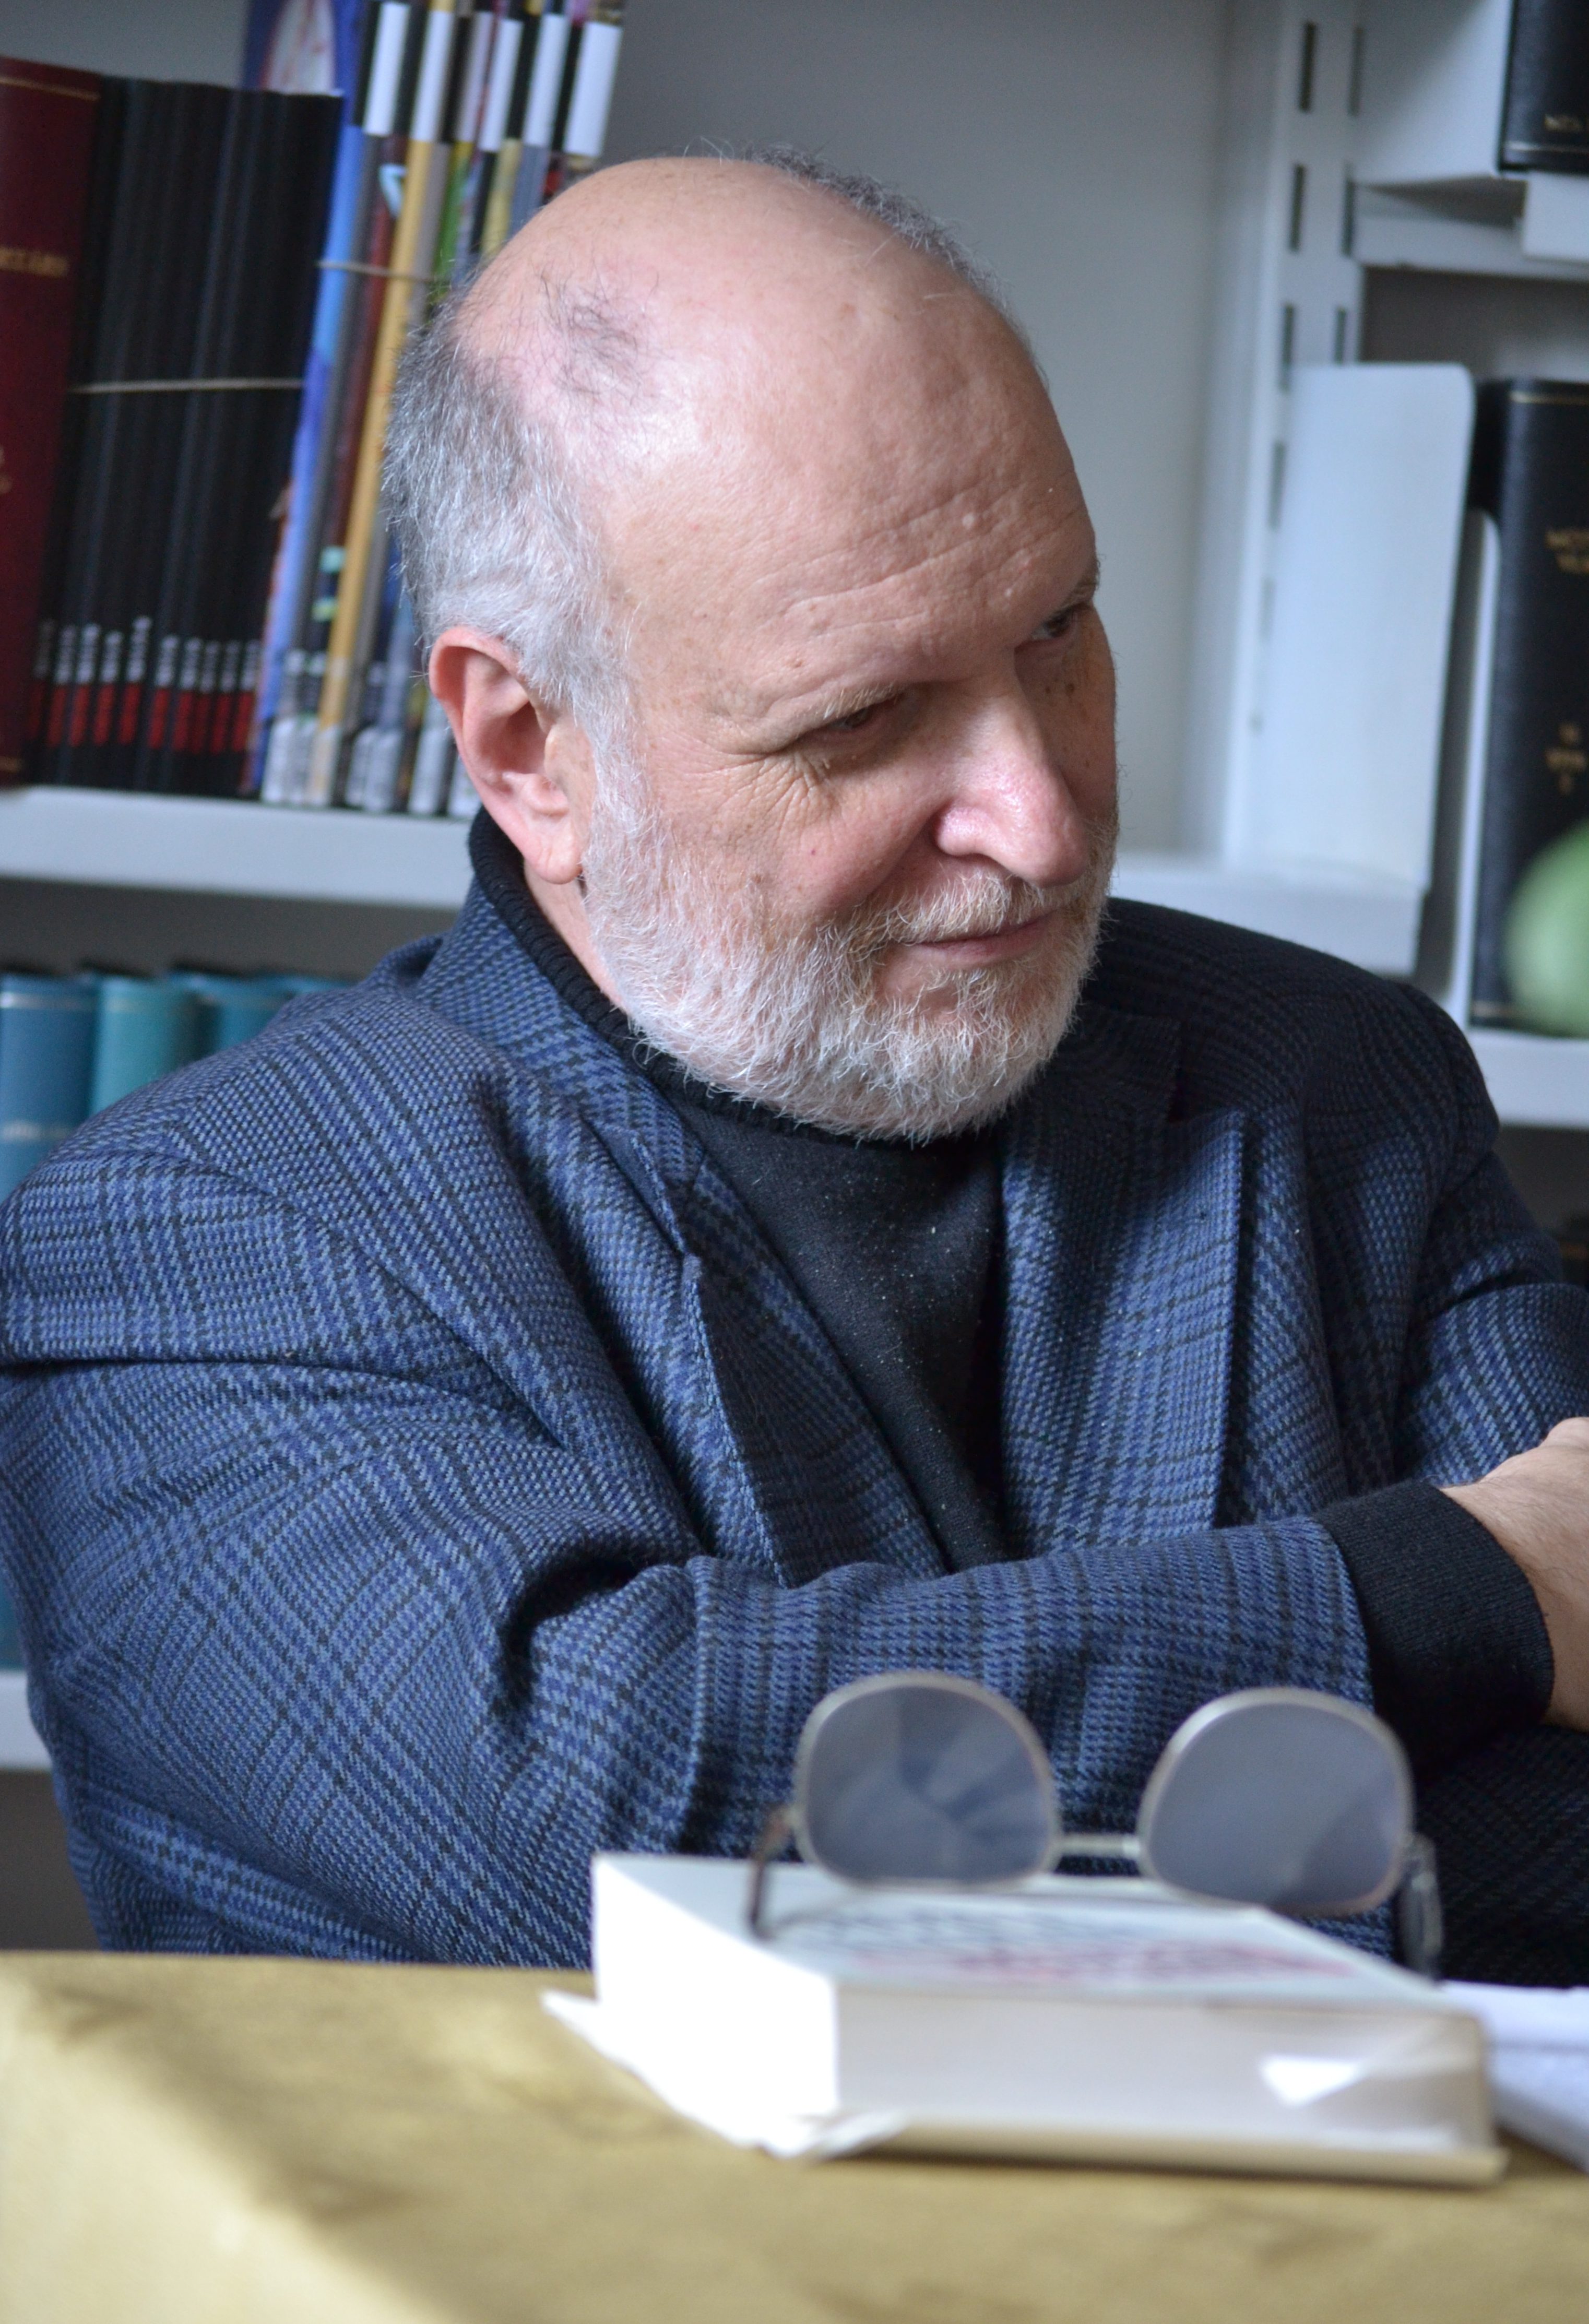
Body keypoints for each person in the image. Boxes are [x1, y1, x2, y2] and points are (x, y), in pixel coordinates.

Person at [1, 153, 1586, 1978]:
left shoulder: (1339, 1082)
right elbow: (612, 1823)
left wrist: (867, 1756)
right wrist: (1455, 1594)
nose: (1041, 818)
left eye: (1056, 635)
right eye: (866, 717)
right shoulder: (187, 1233)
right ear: (527, 749)